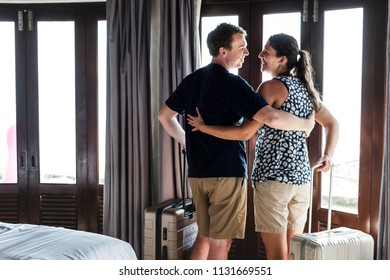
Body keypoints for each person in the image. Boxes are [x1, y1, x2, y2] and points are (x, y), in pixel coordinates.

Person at [158, 25, 315, 260]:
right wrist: (305, 124)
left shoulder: (191, 80)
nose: (247, 52)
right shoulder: (235, 84)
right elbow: (269, 118)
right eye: (241, 47)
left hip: (198, 173)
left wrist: (186, 142)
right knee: (221, 243)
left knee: (204, 235)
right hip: (227, 173)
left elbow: (164, 116)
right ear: (223, 51)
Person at [187, 33, 339, 260]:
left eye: (266, 51)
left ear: (282, 59)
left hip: (274, 181)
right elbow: (332, 123)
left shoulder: (270, 88)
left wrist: (204, 127)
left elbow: (245, 132)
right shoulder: (306, 90)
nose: (259, 54)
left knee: (277, 257)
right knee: (291, 255)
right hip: (301, 181)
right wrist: (327, 156)